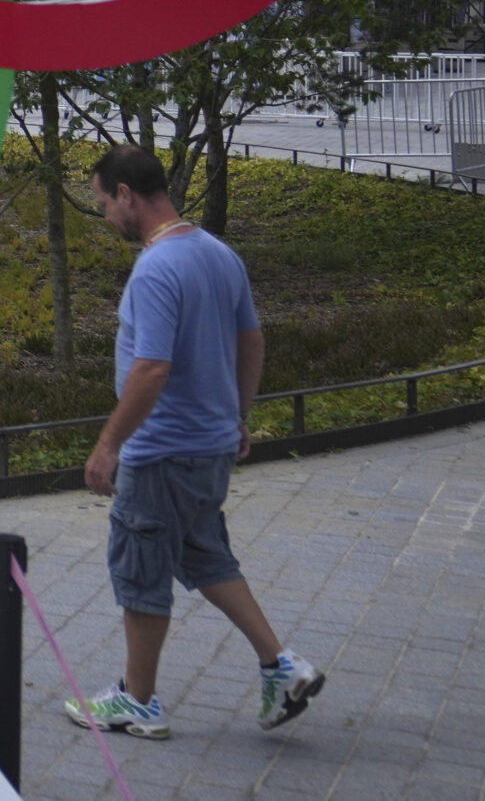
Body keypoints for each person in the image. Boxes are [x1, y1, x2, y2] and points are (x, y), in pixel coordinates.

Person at [65, 145, 325, 739]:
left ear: (127, 195)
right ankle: (282, 668)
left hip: (162, 453)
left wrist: (108, 447)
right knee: (204, 555)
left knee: (141, 572)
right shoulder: (217, 253)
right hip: (210, 447)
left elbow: (151, 368)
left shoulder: (157, 268)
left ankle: (139, 701)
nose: (106, 216)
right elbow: (251, 341)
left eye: (104, 203)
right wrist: (236, 417)